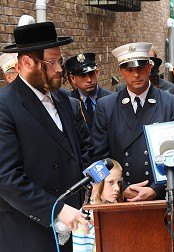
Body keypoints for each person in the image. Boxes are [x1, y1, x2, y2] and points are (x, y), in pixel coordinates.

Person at [0, 22, 91, 252]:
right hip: (27, 231)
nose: (60, 68)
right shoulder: (4, 106)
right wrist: (57, 209)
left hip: (74, 227)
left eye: (59, 60)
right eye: (51, 62)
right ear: (27, 62)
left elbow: (81, 156)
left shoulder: (64, 101)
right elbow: (7, 178)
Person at [92, 42, 174, 202]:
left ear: (149, 67)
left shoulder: (171, 103)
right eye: (129, 69)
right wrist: (122, 188)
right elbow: (99, 158)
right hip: (119, 197)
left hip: (160, 197)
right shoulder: (106, 106)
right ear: (121, 71)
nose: (136, 75)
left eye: (140, 68)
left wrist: (156, 189)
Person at [72, 159, 123, 252]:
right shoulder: (84, 218)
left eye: (119, 182)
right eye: (111, 182)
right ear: (96, 184)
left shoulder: (117, 210)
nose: (117, 188)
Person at [65, 53, 113, 133]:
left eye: (91, 74)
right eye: (83, 75)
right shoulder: (69, 104)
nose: (89, 80)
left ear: (97, 73)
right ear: (73, 79)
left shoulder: (111, 99)